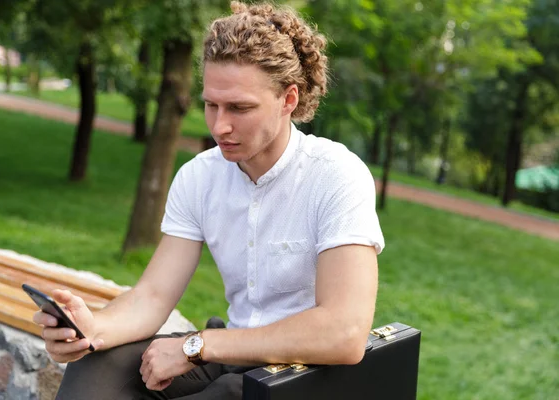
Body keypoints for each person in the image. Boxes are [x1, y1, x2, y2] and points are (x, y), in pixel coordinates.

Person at [34, 2, 385, 399]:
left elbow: (344, 333)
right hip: (232, 351)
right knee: (102, 367)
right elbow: (153, 295)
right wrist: (93, 329)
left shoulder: (336, 175)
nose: (220, 126)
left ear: (289, 100)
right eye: (211, 104)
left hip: (306, 372)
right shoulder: (200, 176)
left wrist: (196, 347)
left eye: (239, 108)